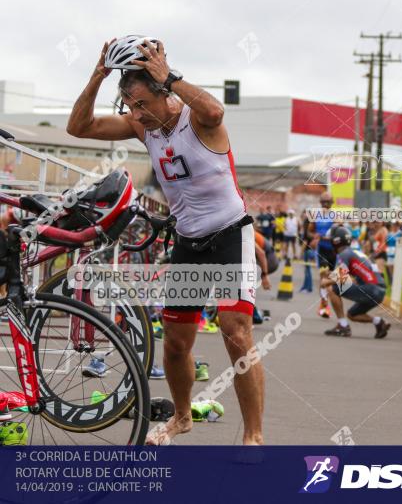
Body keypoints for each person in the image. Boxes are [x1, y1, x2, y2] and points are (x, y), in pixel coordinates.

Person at [67, 37, 264, 445]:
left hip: (230, 235)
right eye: (131, 107)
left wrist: (170, 76)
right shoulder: (144, 127)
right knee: (175, 344)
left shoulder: (198, 119)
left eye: (142, 104)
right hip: (190, 242)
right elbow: (78, 127)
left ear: (163, 92)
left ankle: (253, 436)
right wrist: (98, 75)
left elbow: (214, 108)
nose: (137, 115)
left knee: (236, 331)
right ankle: (181, 417)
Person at [321, 226, 391, 339]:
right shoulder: (355, 252)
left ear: (336, 242)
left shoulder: (343, 254)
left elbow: (339, 277)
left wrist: (325, 281)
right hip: (380, 291)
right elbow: (347, 276)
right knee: (352, 315)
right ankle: (379, 322)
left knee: (333, 288)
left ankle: (342, 327)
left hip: (371, 289)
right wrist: (330, 275)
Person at [309, 192, 338, 317]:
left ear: (332, 203)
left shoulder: (336, 216)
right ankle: (324, 304)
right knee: (323, 275)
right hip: (322, 250)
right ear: (320, 203)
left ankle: (329, 303)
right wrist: (315, 237)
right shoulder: (316, 216)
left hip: (334, 251)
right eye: (323, 202)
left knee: (332, 278)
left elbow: (340, 232)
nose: (326, 204)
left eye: (328, 202)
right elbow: (309, 232)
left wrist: (328, 237)